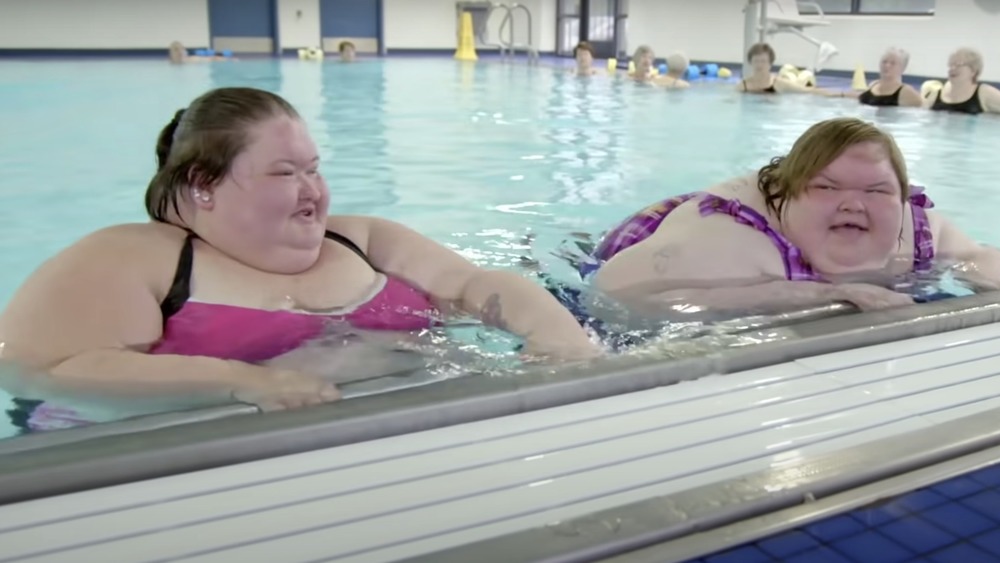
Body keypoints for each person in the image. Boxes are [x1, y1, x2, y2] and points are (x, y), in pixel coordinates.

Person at [0, 87, 602, 415]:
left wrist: (555, 333)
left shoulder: (361, 239)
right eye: (285, 172)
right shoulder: (135, 259)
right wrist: (236, 381)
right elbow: (36, 369)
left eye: (314, 169)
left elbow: (478, 286)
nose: (312, 190)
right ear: (203, 187)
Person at [577, 117, 1000, 313]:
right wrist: (814, 294)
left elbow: (983, 260)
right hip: (640, 241)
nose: (853, 204)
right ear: (788, 198)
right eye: (826, 187)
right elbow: (608, 293)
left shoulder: (917, 230)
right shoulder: (731, 242)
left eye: (876, 191)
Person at [826, 47, 922, 107]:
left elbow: (925, 106)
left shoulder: (906, 92)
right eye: (884, 62)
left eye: (893, 63)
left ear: (902, 68)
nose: (887, 65)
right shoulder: (873, 85)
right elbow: (859, 96)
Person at [924, 47, 1000, 115]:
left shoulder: (984, 93)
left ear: (973, 70)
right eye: (951, 65)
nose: (952, 68)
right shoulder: (936, 93)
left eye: (959, 65)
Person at [738, 43, 808, 94]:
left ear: (770, 64)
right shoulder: (743, 86)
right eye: (756, 61)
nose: (759, 65)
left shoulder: (779, 83)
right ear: (750, 63)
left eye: (763, 61)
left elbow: (806, 90)